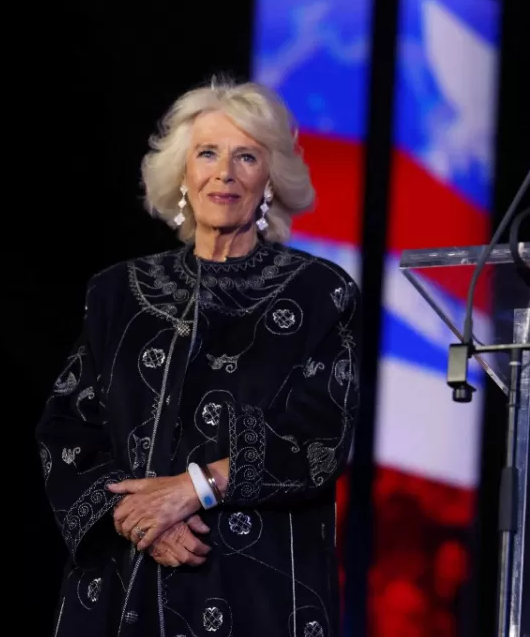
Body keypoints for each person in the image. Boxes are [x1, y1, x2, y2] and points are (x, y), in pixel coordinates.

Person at [36, 79, 360, 636]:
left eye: (246, 156)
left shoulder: (319, 292)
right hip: (122, 583)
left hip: (256, 588)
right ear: (182, 172)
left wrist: (194, 487)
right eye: (207, 152)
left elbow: (322, 436)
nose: (225, 172)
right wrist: (141, 521)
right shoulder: (115, 292)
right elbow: (67, 431)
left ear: (269, 180)